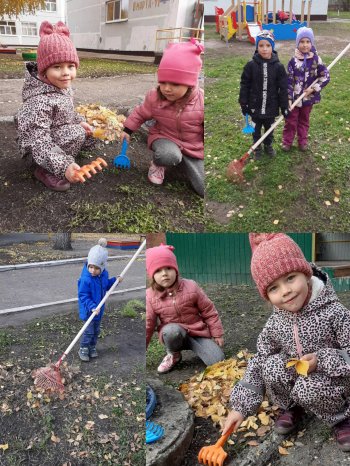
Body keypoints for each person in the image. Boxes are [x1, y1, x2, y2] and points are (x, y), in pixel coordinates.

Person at [223, 233, 350, 452]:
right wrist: (240, 409)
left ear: (305, 273)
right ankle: (293, 408)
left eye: (290, 278)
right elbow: (260, 360)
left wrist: (321, 360)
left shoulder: (335, 313)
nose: (286, 291)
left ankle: (341, 417)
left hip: (336, 383)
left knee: (308, 387)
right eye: (274, 288)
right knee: (270, 365)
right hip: (301, 381)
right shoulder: (276, 322)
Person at [16, 21, 94, 192]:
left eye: (70, 66)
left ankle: (62, 158)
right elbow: (38, 141)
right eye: (57, 67)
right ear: (44, 71)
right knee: (75, 133)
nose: (66, 72)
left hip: (54, 135)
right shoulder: (38, 101)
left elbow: (67, 113)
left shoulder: (59, 85)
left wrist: (79, 121)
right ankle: (44, 169)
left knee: (83, 131)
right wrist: (64, 166)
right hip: (36, 152)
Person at [121, 39, 204, 197]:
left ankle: (181, 164)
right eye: (163, 82)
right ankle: (159, 164)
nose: (167, 88)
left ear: (190, 84)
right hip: (165, 137)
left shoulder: (201, 102)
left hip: (193, 146)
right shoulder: (155, 97)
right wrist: (127, 129)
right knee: (168, 155)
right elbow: (140, 112)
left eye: (175, 84)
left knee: (203, 189)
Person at [146, 244, 225, 374]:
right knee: (171, 330)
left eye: (168, 268)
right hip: (174, 335)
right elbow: (148, 324)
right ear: (152, 275)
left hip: (197, 333)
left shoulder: (191, 286)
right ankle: (174, 355)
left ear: (176, 270)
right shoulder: (150, 296)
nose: (165, 274)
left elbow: (208, 311)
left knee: (218, 360)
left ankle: (201, 348)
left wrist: (217, 333)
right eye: (158, 271)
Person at [239, 30, 289, 159]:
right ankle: (257, 147)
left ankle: (268, 145)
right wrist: (243, 102)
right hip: (255, 105)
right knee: (255, 129)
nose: (264, 49)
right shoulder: (250, 65)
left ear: (272, 46)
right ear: (257, 47)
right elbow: (245, 84)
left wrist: (284, 106)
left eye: (268, 45)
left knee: (269, 128)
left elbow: (283, 88)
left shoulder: (278, 67)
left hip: (271, 105)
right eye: (261, 45)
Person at [282, 27, 330, 152]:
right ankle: (287, 142)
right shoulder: (293, 61)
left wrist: (313, 89)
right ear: (298, 43)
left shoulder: (316, 59)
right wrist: (289, 97)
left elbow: (325, 77)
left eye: (308, 42)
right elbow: (288, 81)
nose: (305, 45)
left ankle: (302, 141)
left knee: (304, 120)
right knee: (290, 121)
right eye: (302, 42)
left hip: (308, 99)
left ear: (311, 43)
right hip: (294, 99)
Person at [77, 238, 116, 362]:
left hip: (99, 310)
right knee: (88, 331)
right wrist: (92, 306)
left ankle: (92, 347)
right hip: (90, 310)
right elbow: (83, 295)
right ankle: (83, 348)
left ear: (102, 267)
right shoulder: (86, 279)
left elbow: (106, 286)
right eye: (91, 267)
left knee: (96, 331)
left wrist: (115, 281)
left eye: (96, 268)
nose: (93, 270)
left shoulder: (103, 275)